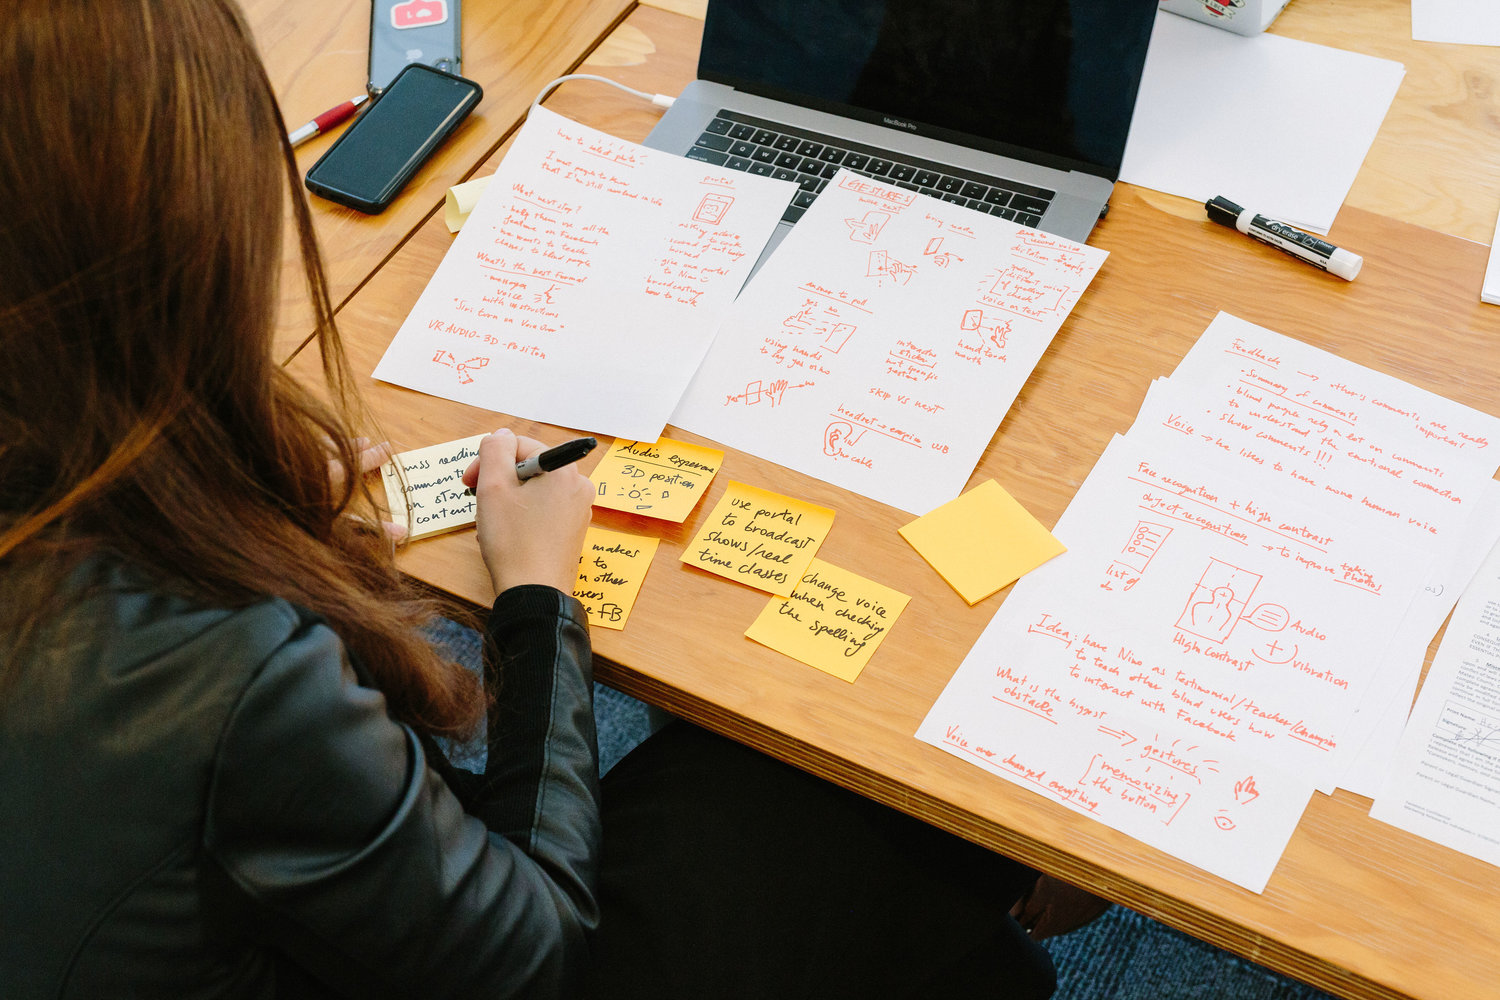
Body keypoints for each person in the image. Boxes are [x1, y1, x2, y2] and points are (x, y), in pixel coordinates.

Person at [0, 1, 1075, 997]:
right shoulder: (232, 677)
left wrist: (240, 514)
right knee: (852, 780)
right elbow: (544, 950)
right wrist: (537, 599)